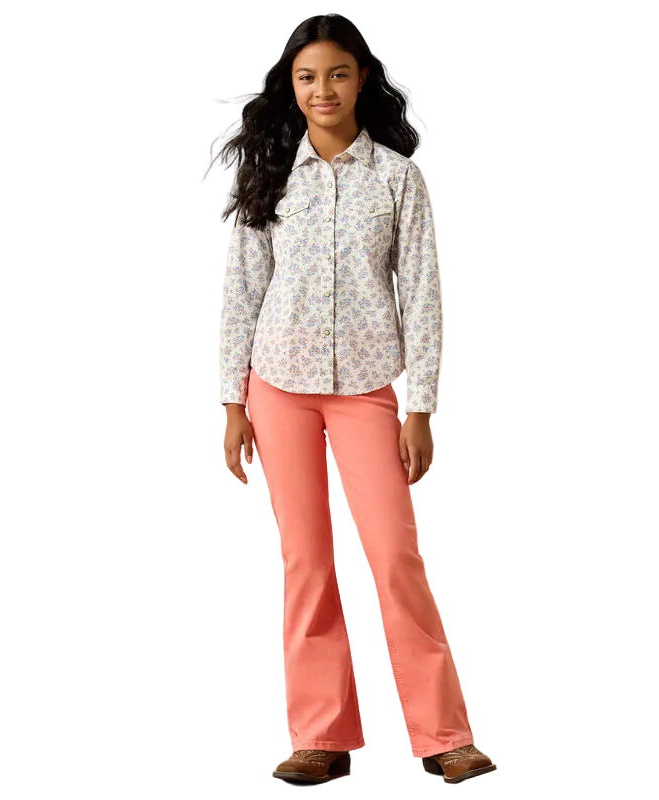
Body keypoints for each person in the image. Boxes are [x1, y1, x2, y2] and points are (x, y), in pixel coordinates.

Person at [214, 13, 497, 785]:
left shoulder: (398, 178)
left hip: (367, 389)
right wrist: (232, 402)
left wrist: (421, 407)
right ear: (291, 86)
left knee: (395, 557)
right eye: (307, 77)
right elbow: (242, 289)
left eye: (336, 74)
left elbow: (423, 294)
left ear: (361, 78)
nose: (322, 90)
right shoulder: (271, 176)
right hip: (276, 388)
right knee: (306, 561)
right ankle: (321, 735)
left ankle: (444, 735)